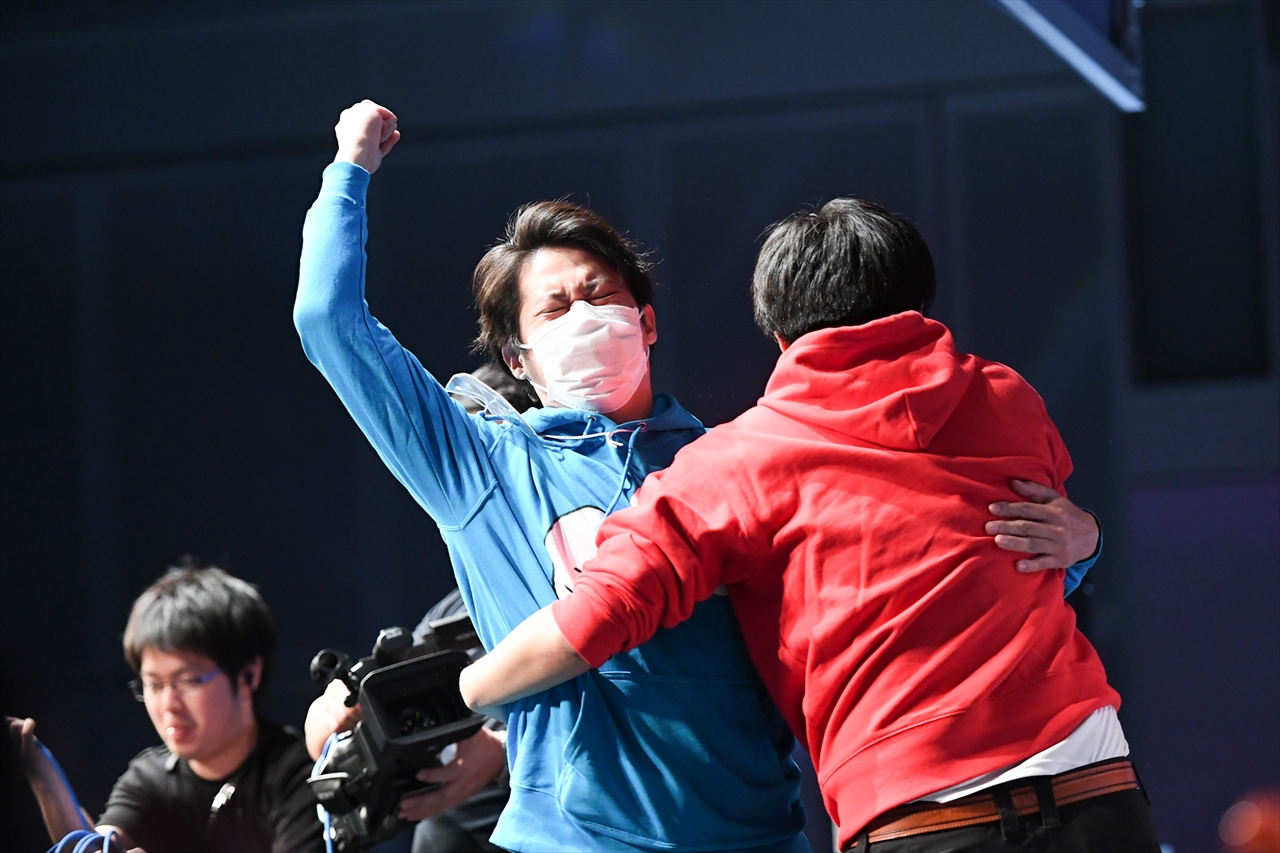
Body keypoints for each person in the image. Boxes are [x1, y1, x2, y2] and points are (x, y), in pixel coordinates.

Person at [294, 100, 1103, 853]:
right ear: (517, 357)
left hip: (758, 834)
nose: (585, 315)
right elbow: (328, 321)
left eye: (600, 293)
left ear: (646, 321)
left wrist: (1077, 547)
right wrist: (348, 170)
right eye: (555, 308)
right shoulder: (478, 465)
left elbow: (911, 574)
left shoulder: (743, 460)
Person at [460, 199, 1161, 852]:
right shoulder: (1008, 397)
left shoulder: (735, 463)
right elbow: (1024, 553)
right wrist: (1089, 540)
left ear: (779, 332)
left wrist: (470, 689)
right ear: (917, 296)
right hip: (1096, 784)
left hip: (922, 813)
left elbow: (604, 611)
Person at [10, 561, 323, 852]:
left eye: (188, 681)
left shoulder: (302, 774)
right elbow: (94, 847)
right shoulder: (151, 777)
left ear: (247, 675)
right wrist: (37, 764)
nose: (169, 705)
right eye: (154, 685)